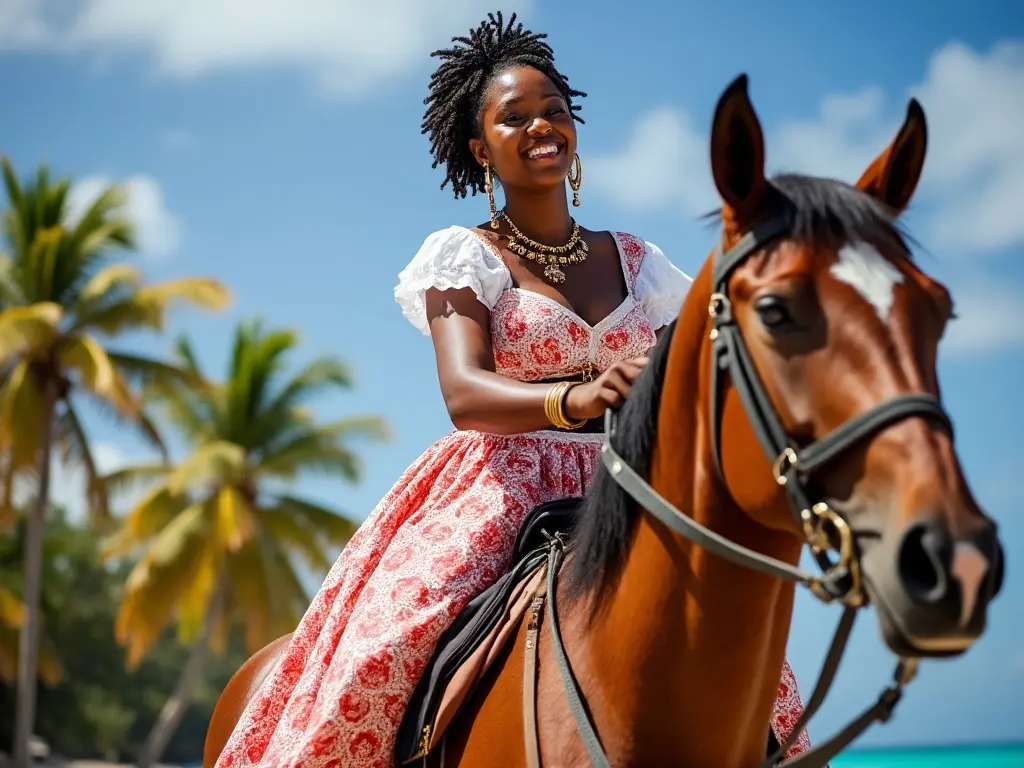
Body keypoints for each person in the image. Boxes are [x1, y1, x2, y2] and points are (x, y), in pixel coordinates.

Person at [215, 12, 811, 767]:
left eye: (555, 111)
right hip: (499, 487)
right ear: (480, 146)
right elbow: (464, 394)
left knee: (763, 686)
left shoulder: (640, 261)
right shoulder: (464, 255)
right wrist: (579, 397)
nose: (541, 126)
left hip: (631, 487)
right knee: (384, 651)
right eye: (515, 116)